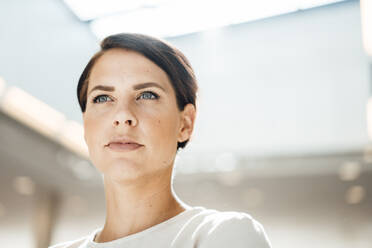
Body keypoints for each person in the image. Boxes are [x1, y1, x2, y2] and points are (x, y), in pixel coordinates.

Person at [48, 33, 272, 248]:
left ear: (185, 124)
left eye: (147, 95)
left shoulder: (223, 235)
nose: (122, 115)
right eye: (103, 98)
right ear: (86, 125)